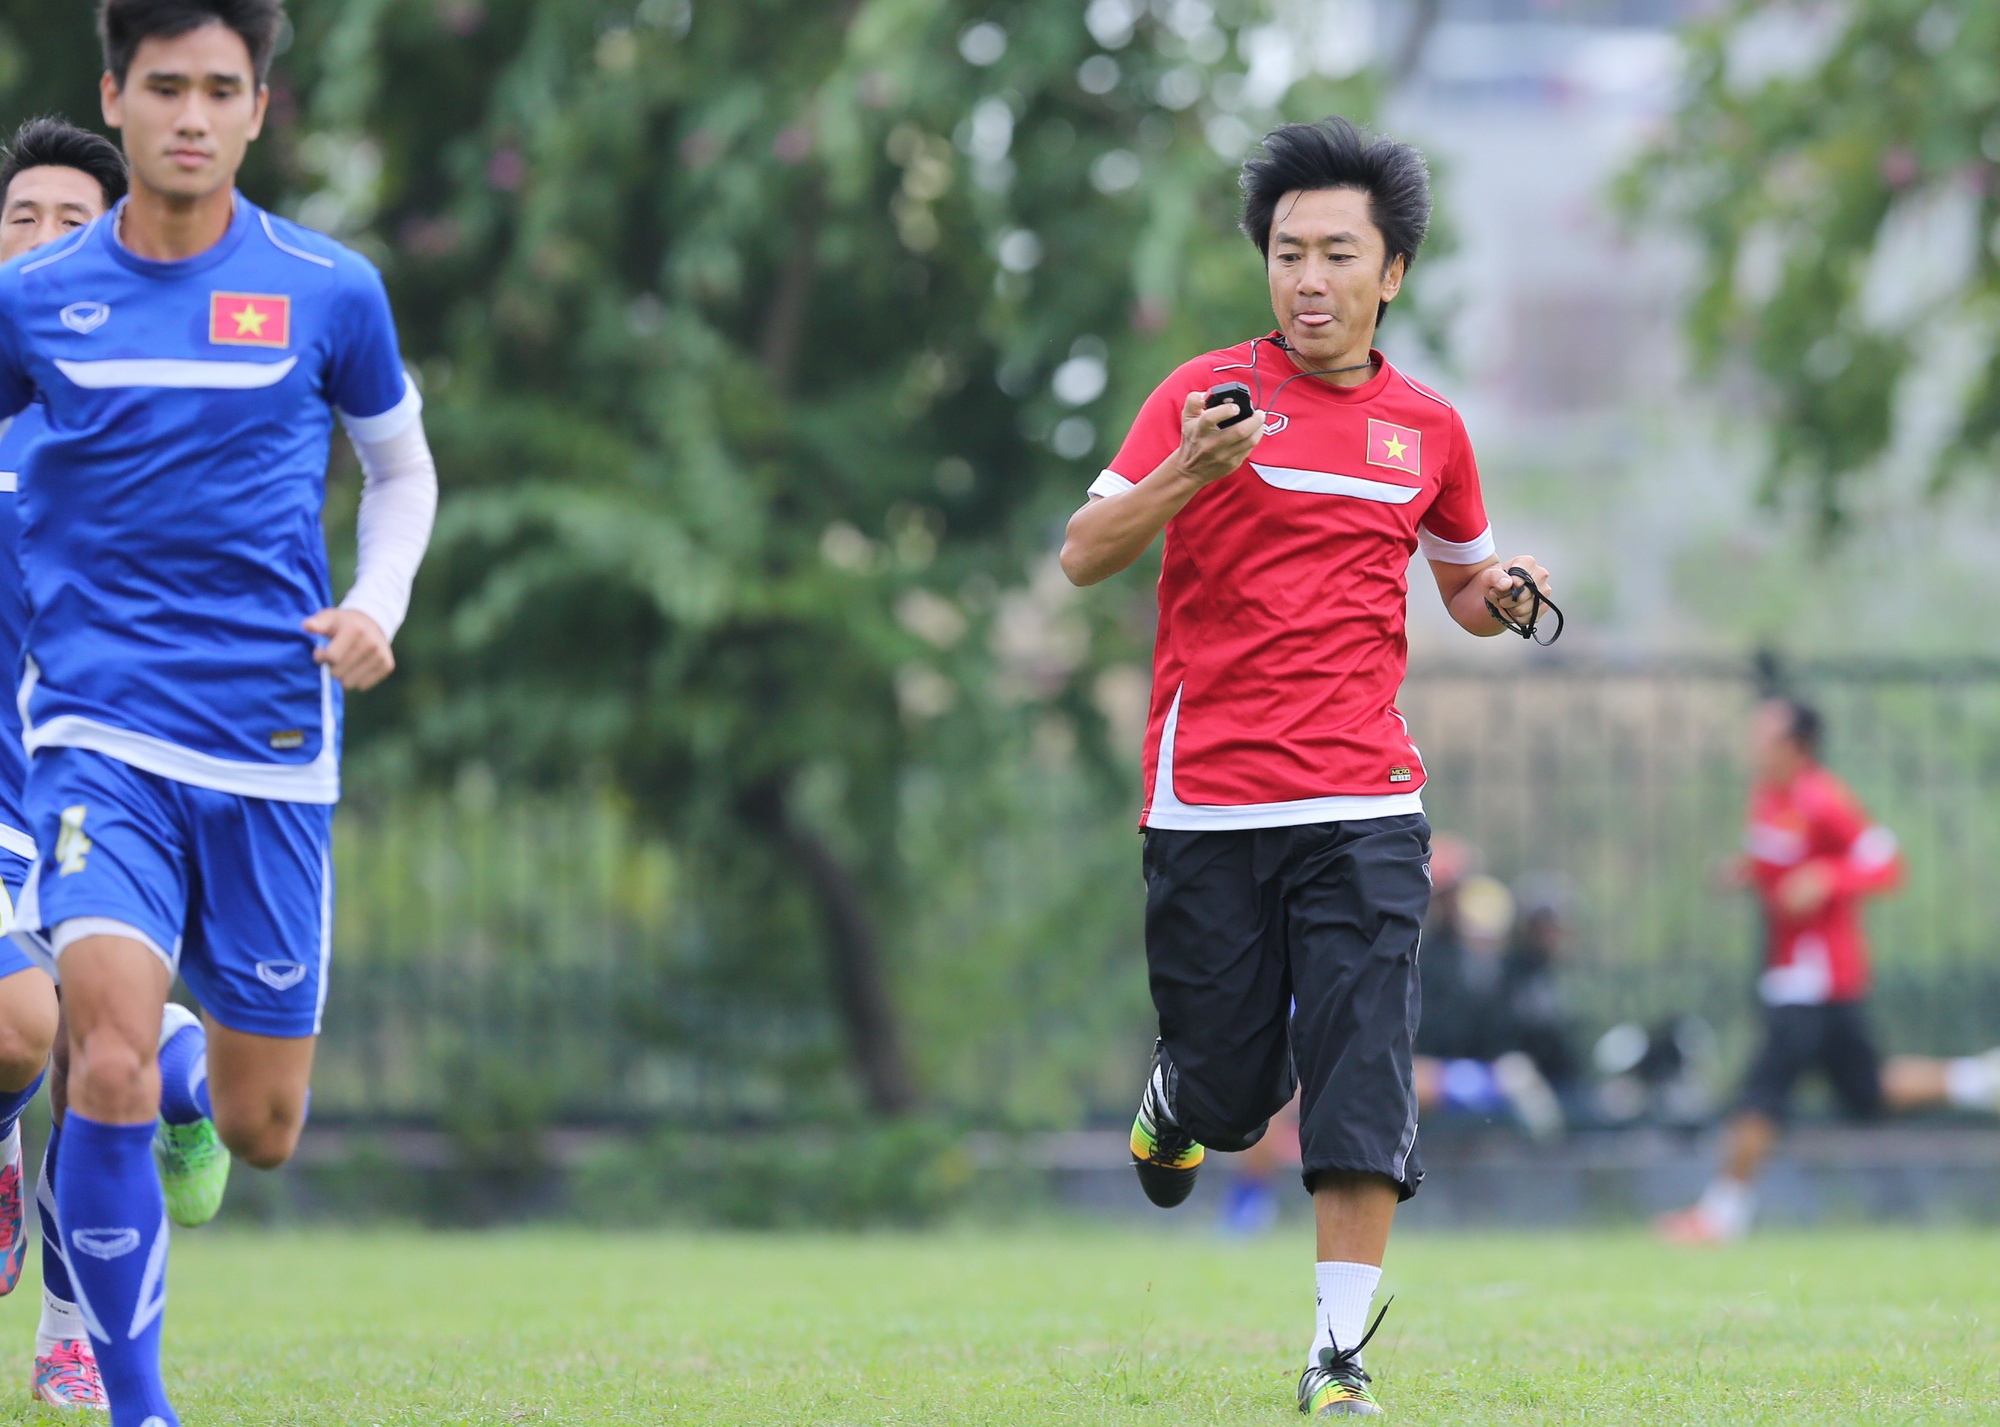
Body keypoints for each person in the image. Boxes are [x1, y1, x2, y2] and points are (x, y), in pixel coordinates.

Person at [1060, 116, 1556, 1418]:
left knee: (1361, 1065)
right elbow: (1083, 552)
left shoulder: (1429, 430)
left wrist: (1505, 593)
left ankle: (1338, 1355)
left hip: (1366, 802)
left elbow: (1464, 589)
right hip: (1209, 801)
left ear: (1391, 271)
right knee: (1235, 1094)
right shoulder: (1201, 396)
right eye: (1288, 253)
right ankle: (1181, 1091)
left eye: (1338, 253)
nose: (1310, 279)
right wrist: (1187, 470)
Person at [0, 3, 438, 1420]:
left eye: (219, 89)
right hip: (94, 735)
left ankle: (202, 1081)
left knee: (263, 1125)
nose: (190, 115)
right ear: (114, 95)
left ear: (257, 108)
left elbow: (402, 470)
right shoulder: (34, 297)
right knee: (103, 1051)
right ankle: (135, 1404)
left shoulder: (329, 289)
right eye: (165, 86)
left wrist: (376, 604)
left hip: (270, 746)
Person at [0, 113, 235, 1410]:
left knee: (112, 1053)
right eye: (20, 217)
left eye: (70, 223)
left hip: (101, 792)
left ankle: (73, 1328)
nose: (42, 240)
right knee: (27, 1024)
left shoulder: (155, 407)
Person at [1658, 698, 2000, 1244]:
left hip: (1813, 977)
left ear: (1797, 746)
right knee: (1866, 1090)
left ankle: (1720, 1218)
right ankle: (1982, 1080)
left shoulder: (1824, 799)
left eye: (1764, 735)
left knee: (1761, 1093)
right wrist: (1744, 872)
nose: (1752, 744)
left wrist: (1826, 877)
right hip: (1797, 975)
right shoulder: (1767, 796)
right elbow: (1779, 862)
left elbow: (1887, 863)